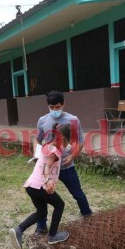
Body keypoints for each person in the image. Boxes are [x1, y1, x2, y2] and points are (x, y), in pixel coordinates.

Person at [34, 91, 92, 234]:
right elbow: (37, 139)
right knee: (42, 196)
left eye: (58, 107)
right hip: (48, 166)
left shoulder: (73, 119)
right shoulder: (42, 120)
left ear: (63, 104)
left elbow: (80, 141)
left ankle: (88, 216)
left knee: (77, 192)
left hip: (66, 165)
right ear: (48, 106)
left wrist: (73, 156)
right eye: (52, 107)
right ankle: (41, 226)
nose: (55, 110)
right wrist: (37, 155)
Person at [9, 123, 71, 249]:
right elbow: (47, 165)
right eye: (69, 140)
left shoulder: (47, 146)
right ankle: (53, 235)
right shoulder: (54, 150)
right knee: (60, 205)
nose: (69, 144)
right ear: (63, 138)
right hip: (41, 186)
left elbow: (41, 160)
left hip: (31, 186)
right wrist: (48, 179)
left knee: (42, 212)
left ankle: (19, 230)